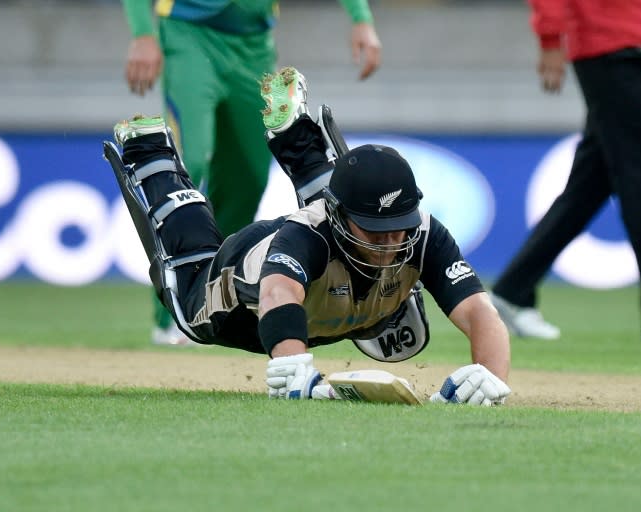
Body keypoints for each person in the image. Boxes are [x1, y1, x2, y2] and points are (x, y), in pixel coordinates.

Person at [102, 67, 512, 404]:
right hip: (248, 280)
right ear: (340, 216)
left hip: (343, 296)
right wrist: (294, 364)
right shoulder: (306, 234)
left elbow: (480, 311)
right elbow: (277, 294)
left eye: (397, 227)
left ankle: (297, 136)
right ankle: (150, 152)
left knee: (403, 335)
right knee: (192, 307)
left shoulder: (423, 231)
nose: (389, 244)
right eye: (375, 230)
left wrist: (490, 379)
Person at [120, 0, 383, 346]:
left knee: (248, 180)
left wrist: (361, 18)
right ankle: (170, 311)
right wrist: (143, 33)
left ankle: (207, 302)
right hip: (189, 34)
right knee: (192, 161)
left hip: (255, 45)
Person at [489, 0, 641, 342]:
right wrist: (550, 39)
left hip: (631, 49)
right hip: (608, 45)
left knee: (588, 188)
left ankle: (512, 292)